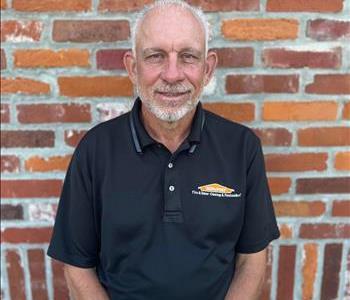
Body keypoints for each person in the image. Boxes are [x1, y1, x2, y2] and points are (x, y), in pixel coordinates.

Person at [47, 1, 280, 299]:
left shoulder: (242, 148)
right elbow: (78, 267)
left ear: (207, 69)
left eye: (188, 57)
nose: (172, 75)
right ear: (133, 67)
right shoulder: (95, 151)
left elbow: (252, 261)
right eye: (156, 56)